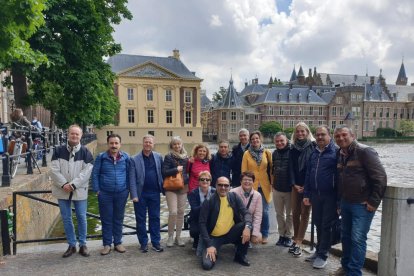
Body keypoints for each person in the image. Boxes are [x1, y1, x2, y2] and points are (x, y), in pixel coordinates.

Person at [333, 125, 387, 276]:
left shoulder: (365, 151)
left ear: (353, 136)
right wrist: (339, 202)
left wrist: (373, 202)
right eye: (337, 136)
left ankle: (354, 273)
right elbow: (340, 181)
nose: (341, 138)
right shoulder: (340, 153)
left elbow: (380, 178)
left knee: (357, 239)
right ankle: (345, 267)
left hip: (362, 205)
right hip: (345, 203)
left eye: (344, 135)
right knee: (345, 236)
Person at [50, 124, 94, 258]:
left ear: (81, 136)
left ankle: (83, 244)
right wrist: (64, 184)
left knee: (81, 217)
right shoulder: (58, 150)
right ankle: (71, 244)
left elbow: (87, 172)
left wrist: (73, 185)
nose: (74, 136)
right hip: (62, 190)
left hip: (79, 190)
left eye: (77, 134)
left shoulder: (86, 152)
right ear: (68, 134)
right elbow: (53, 170)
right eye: (72, 133)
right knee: (66, 218)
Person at [303, 126, 338, 269]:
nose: (320, 137)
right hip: (315, 195)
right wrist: (306, 194)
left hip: (330, 195)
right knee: (317, 223)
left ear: (330, 136)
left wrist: (339, 200)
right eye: (317, 135)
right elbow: (308, 174)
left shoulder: (336, 152)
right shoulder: (314, 153)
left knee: (327, 225)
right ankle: (318, 250)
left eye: (323, 134)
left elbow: (341, 177)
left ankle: (323, 255)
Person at [199, 176, 253, 270]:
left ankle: (240, 256)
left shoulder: (234, 197)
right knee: (207, 265)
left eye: (226, 185)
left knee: (247, 225)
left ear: (229, 187)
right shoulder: (209, 201)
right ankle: (215, 250)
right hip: (213, 237)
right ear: (215, 185)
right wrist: (209, 245)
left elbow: (246, 212)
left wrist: (248, 227)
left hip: (230, 233)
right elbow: (202, 224)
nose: (223, 188)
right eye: (220, 185)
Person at [92, 134, 130, 255]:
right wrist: (97, 190)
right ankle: (107, 244)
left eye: (116, 143)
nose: (114, 145)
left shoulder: (126, 157)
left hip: (121, 193)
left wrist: (127, 189)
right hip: (105, 194)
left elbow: (130, 173)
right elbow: (95, 174)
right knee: (106, 219)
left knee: (119, 218)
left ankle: (118, 243)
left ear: (120, 144)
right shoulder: (101, 157)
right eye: (111, 143)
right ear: (108, 144)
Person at [129, 134, 164, 253]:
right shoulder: (134, 159)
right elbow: (132, 178)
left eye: (150, 142)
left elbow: (162, 173)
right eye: (146, 142)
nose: (148, 144)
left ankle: (155, 242)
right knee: (141, 219)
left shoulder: (159, 157)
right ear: (142, 143)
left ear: (153, 144)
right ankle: (143, 243)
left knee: (155, 218)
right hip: (140, 194)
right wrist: (134, 195)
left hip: (155, 193)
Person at [289, 122, 315, 256]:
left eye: (302, 131)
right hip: (295, 186)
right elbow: (291, 168)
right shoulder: (292, 148)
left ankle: (298, 242)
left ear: (307, 132)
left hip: (308, 186)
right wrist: (294, 184)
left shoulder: (314, 147)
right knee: (295, 213)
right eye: (298, 131)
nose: (300, 134)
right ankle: (296, 238)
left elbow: (313, 168)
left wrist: (306, 186)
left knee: (305, 213)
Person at [241, 130, 272, 244]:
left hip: (264, 186)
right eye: (253, 139)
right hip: (251, 186)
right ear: (250, 141)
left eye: (257, 139)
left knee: (264, 211)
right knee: (250, 211)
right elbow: (244, 171)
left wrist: (273, 183)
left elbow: (271, 170)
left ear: (260, 140)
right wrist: (244, 185)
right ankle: (252, 235)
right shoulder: (246, 154)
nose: (255, 140)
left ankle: (264, 234)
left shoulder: (267, 153)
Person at [162, 136, 189, 247]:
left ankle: (178, 237)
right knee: (173, 212)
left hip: (183, 187)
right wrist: (176, 169)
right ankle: (170, 237)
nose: (177, 146)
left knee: (181, 213)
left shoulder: (186, 157)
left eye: (179, 144)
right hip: (171, 187)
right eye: (175, 144)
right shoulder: (168, 156)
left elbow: (188, 172)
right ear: (171, 146)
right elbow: (164, 172)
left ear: (182, 145)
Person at [272, 132, 294, 247]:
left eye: (282, 141)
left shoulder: (292, 152)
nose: (279, 143)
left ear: (286, 141)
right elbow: (272, 170)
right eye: (277, 141)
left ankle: (289, 236)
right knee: (279, 214)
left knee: (290, 214)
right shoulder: (274, 153)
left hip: (289, 189)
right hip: (277, 188)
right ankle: (281, 235)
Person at [230, 171, 262, 245]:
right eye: (245, 179)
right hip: (235, 223)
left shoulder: (257, 195)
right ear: (241, 181)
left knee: (258, 237)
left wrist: (254, 233)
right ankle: (237, 240)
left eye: (250, 180)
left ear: (253, 182)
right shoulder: (232, 192)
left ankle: (246, 239)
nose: (247, 182)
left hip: (249, 223)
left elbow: (258, 215)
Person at [188, 171, 216, 251]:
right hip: (198, 217)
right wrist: (207, 203)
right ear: (198, 181)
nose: (205, 181)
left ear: (210, 181)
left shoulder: (215, 192)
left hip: (211, 217)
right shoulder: (193, 193)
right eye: (202, 179)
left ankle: (212, 241)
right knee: (194, 231)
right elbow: (195, 209)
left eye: (207, 179)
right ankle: (196, 240)